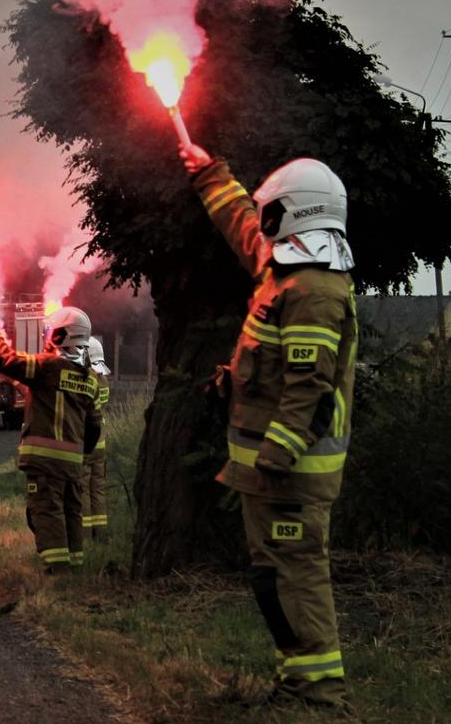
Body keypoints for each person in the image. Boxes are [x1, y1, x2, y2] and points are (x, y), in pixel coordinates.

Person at [182, 143, 358, 711]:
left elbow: (307, 392)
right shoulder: (287, 272)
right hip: (268, 475)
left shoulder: (313, 291)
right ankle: (297, 684)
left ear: (295, 212)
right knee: (275, 582)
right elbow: (242, 227)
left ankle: (319, 696)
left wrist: (274, 460)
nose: (263, 222)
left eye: (272, 211)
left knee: (295, 578)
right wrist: (209, 173)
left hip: (289, 476)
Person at [0, 306, 103, 573]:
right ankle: (74, 570)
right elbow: (93, 427)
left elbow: (4, 359)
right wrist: (79, 456)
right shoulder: (90, 380)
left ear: (60, 335)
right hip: (72, 465)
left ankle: (57, 574)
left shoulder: (47, 367)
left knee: (46, 513)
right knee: (71, 514)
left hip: (45, 464)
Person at [82, 338, 113, 540]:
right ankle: (100, 535)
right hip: (100, 444)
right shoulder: (104, 380)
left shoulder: (88, 381)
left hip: (85, 444)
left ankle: (83, 535)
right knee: (98, 490)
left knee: (82, 489)